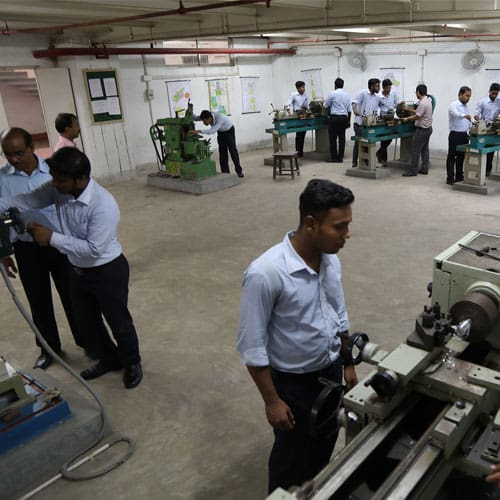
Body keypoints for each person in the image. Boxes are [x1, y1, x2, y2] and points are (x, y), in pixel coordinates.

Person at [237, 179, 358, 493]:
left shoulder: (331, 260)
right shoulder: (266, 273)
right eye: (339, 226)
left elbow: (339, 313)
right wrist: (272, 401)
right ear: (311, 223)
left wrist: (347, 363)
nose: (347, 234)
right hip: (293, 385)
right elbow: (252, 345)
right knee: (291, 457)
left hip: (330, 373)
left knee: (324, 442)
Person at [0, 147, 143, 389]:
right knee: (87, 322)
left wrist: (51, 237)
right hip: (76, 269)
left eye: (60, 180)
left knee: (118, 321)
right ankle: (109, 358)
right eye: (53, 178)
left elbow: (93, 249)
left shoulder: (103, 204)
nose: (54, 184)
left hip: (106, 270)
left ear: (81, 179)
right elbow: (28, 200)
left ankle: (132, 362)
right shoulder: (58, 188)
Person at [0, 128, 82, 370]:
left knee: (73, 296)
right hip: (26, 248)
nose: (14, 159)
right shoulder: (1, 179)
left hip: (59, 244)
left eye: (18, 153)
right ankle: (49, 349)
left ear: (31, 147)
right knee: (38, 301)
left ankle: (86, 340)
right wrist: (3, 251)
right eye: (7, 154)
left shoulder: (54, 171)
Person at [192, 109, 244, 178]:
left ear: (209, 118)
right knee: (222, 153)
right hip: (220, 133)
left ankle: (239, 171)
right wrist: (190, 110)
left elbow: (212, 131)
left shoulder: (220, 118)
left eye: (205, 121)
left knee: (233, 151)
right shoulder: (206, 116)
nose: (204, 123)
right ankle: (225, 173)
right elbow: (195, 118)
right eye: (203, 121)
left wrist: (198, 131)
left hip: (229, 131)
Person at [401, 84, 433, 177]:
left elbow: (418, 116)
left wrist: (407, 118)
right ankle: (424, 169)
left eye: (416, 92)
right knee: (425, 150)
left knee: (415, 151)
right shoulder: (427, 101)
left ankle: (413, 171)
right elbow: (419, 112)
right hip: (428, 129)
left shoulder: (422, 103)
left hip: (421, 131)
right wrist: (408, 109)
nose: (416, 94)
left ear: (418, 92)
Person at [446, 86, 473, 185]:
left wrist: (472, 128)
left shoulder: (466, 107)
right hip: (455, 134)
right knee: (452, 156)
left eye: (469, 96)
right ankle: (450, 178)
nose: (468, 98)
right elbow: (455, 113)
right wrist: (464, 115)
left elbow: (468, 120)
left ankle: (459, 176)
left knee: (461, 157)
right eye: (467, 96)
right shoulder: (453, 105)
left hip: (464, 135)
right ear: (460, 94)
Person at [351, 78, 381, 168]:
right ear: (371, 86)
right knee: (359, 142)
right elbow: (354, 102)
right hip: (359, 124)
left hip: (369, 125)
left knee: (368, 143)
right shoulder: (363, 93)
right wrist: (355, 110)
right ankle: (354, 162)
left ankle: (367, 162)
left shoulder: (377, 97)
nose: (379, 88)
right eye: (377, 86)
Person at [474, 83, 500, 176]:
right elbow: (476, 114)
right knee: (482, 150)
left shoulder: (498, 102)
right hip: (484, 128)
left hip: (494, 128)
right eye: (493, 93)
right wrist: (479, 120)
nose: (494, 95)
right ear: (489, 91)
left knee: (491, 151)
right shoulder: (482, 101)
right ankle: (480, 171)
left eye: (496, 93)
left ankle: (488, 170)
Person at [324, 77, 351, 163]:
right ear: (343, 85)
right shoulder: (347, 95)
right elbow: (349, 110)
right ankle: (340, 157)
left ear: (335, 85)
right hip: (344, 118)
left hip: (335, 118)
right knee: (342, 139)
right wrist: (348, 121)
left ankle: (334, 157)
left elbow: (325, 105)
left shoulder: (332, 94)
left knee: (333, 138)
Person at [376, 79, 399, 167]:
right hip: (383, 119)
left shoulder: (393, 94)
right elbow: (376, 107)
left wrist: (400, 106)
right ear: (383, 87)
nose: (389, 89)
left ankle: (379, 152)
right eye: (387, 88)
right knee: (384, 139)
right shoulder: (379, 96)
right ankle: (384, 160)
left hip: (391, 117)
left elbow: (396, 104)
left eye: (390, 87)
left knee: (390, 138)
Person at [286, 80, 309, 158]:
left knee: (303, 134)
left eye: (304, 87)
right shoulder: (294, 95)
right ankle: (297, 152)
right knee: (299, 135)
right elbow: (288, 104)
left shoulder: (305, 95)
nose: (304, 89)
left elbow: (307, 105)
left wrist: (309, 110)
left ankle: (301, 152)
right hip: (297, 115)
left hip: (304, 115)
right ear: (298, 88)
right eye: (302, 87)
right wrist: (290, 113)